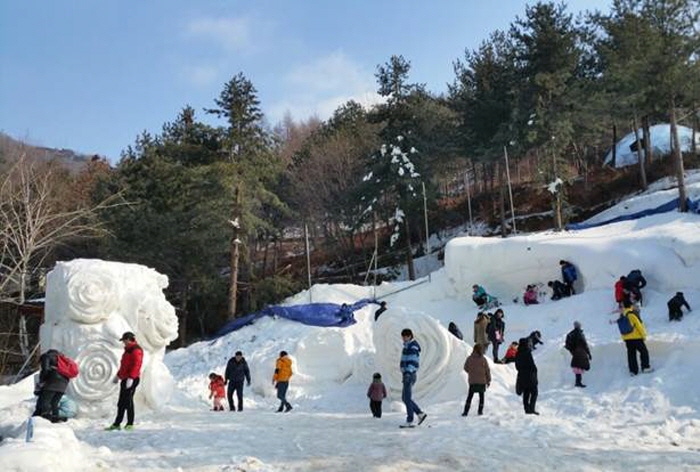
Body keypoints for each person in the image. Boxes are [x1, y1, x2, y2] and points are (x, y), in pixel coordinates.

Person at [106, 332, 144, 431]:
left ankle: (130, 423)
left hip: (132, 379)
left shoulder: (136, 350)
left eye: (124, 340)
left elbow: (137, 365)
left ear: (128, 339)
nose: (123, 342)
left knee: (128, 401)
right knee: (121, 402)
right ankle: (117, 423)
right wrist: (118, 376)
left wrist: (131, 378)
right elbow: (124, 365)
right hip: (125, 379)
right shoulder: (127, 350)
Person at [33, 349, 70, 422]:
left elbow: (45, 370)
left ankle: (45, 419)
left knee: (45, 401)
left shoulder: (46, 356)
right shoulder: (61, 358)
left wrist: (42, 381)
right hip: (64, 384)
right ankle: (55, 418)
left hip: (52, 382)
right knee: (54, 403)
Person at [399, 328, 427, 428]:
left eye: (404, 337)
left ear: (409, 336)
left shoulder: (413, 347)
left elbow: (413, 361)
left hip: (409, 375)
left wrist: (408, 372)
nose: (403, 339)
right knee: (405, 398)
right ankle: (420, 414)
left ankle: (410, 420)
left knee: (407, 398)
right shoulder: (407, 346)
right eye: (402, 337)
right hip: (406, 374)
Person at [619, 301, 652, 376]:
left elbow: (621, 327)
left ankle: (633, 371)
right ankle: (645, 367)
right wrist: (643, 336)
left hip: (627, 339)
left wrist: (624, 338)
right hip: (636, 337)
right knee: (644, 351)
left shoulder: (622, 315)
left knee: (631, 354)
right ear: (630, 306)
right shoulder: (632, 314)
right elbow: (639, 326)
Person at [462, 344, 491, 416]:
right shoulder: (483, 359)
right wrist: (488, 380)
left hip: (472, 381)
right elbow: (487, 370)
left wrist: (471, 373)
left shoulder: (469, 358)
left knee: (470, 396)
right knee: (481, 396)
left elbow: (465, 368)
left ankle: (466, 412)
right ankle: (480, 411)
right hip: (482, 381)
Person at [515, 337, 539, 415]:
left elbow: (517, 366)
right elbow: (531, 365)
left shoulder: (518, 353)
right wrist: (535, 371)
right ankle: (531, 408)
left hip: (522, 376)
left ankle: (526, 409)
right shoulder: (527, 352)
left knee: (526, 393)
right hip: (530, 376)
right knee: (534, 392)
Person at [565, 321, 591, 388]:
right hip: (581, 352)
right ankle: (578, 382)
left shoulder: (571, 333)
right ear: (579, 326)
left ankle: (578, 382)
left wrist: (572, 351)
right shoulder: (579, 333)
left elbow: (567, 344)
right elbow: (584, 344)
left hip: (575, 352)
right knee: (581, 366)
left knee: (577, 367)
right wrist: (589, 353)